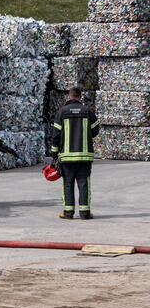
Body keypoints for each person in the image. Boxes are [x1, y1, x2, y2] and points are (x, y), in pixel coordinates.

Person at [50, 87, 100, 219]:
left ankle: (68, 212)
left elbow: (55, 135)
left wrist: (54, 155)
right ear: (80, 96)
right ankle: (84, 213)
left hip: (67, 157)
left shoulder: (62, 112)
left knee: (68, 183)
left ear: (70, 96)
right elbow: (95, 130)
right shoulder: (87, 111)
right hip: (84, 156)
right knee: (84, 183)